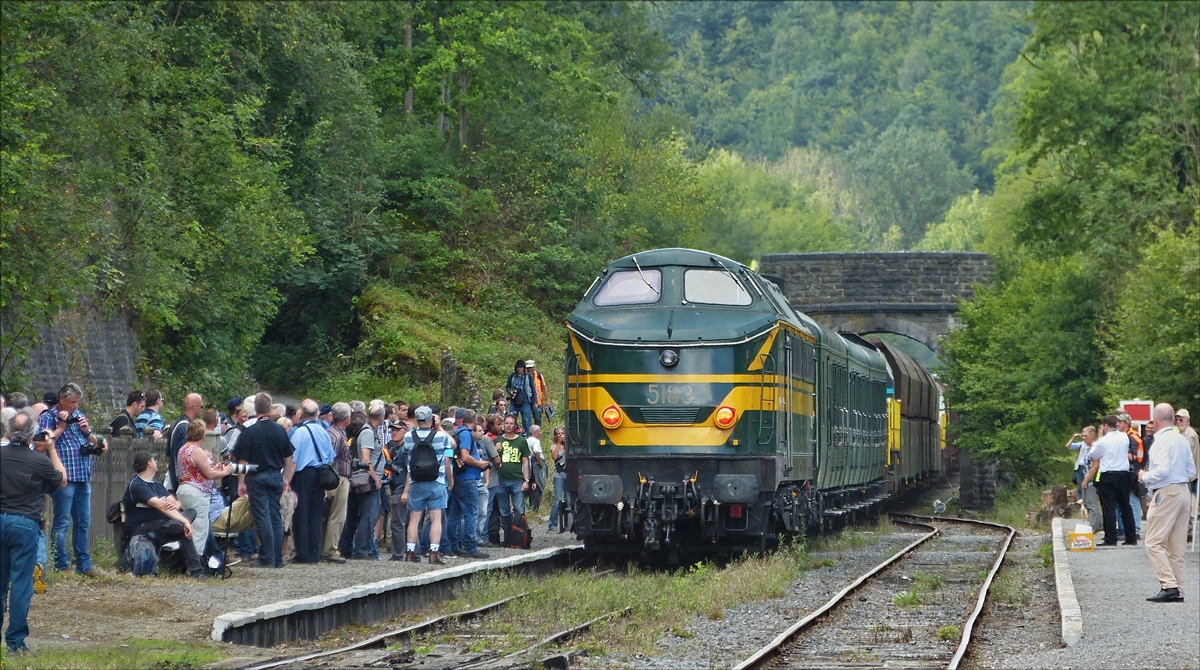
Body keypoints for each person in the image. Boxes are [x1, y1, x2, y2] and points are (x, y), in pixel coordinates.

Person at [1, 409, 66, 653]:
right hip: (24, 522)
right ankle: (15, 642)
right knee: (20, 583)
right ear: (31, 435)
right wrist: (50, 448)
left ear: (7, 431)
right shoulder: (38, 461)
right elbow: (61, 480)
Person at [38, 383, 107, 577]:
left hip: (83, 476)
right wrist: (61, 427)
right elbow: (42, 446)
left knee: (83, 522)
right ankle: (61, 565)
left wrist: (87, 432)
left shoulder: (79, 415)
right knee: (62, 522)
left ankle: (84, 565)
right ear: (61, 400)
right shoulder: (48, 417)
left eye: (77, 402)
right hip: (64, 478)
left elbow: (96, 442)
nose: (75, 406)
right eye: (72, 402)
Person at [1140, 403, 1198, 602]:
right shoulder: (1182, 440)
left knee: (1153, 542)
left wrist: (1145, 476)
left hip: (1167, 491)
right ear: (1173, 419)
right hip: (1184, 490)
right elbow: (1192, 472)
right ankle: (1179, 589)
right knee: (1177, 546)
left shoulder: (1160, 442)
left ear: (1155, 420)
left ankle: (1169, 585)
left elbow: (1162, 470)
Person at [120, 451, 207, 579]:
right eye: (154, 461)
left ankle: (176, 525)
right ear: (149, 463)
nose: (157, 463)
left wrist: (175, 506)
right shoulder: (137, 485)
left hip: (163, 525)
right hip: (142, 529)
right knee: (180, 526)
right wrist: (185, 522)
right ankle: (196, 571)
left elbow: (174, 502)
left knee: (191, 512)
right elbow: (160, 505)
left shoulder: (157, 484)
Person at [232, 393, 295, 568]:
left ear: (255, 409)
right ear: (270, 408)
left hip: (256, 476)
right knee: (275, 516)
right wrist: (286, 478)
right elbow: (289, 455)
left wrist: (241, 482)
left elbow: (243, 461)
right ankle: (277, 557)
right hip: (276, 475)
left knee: (263, 517)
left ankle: (266, 557)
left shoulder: (249, 431)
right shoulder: (280, 430)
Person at [399, 406, 454, 564]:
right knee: (436, 518)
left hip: (415, 482)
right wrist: (440, 428)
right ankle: (433, 553)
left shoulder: (409, 436)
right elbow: (452, 446)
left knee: (414, 519)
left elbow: (406, 454)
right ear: (431, 419)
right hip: (436, 482)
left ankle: (410, 552)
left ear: (416, 419)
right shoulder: (440, 437)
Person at [175, 420, 235, 555]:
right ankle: (195, 564)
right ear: (202, 435)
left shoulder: (183, 449)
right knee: (199, 529)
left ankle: (196, 559)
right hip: (197, 492)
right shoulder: (197, 451)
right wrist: (225, 472)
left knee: (193, 526)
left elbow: (198, 471)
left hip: (184, 488)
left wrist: (215, 468)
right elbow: (210, 474)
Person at [287, 399, 335, 564]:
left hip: (303, 474)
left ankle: (303, 553)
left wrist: (287, 480)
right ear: (317, 414)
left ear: (301, 413)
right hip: (320, 473)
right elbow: (330, 457)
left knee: (301, 513)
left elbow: (293, 460)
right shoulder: (324, 432)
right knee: (316, 514)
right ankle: (315, 553)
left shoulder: (299, 433)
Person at [1084, 415, 1138, 546]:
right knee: (1125, 506)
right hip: (1124, 474)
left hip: (1108, 475)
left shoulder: (1103, 441)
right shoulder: (1125, 436)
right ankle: (1131, 537)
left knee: (1109, 507)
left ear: (1106, 426)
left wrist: (1102, 438)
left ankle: (1111, 538)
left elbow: (1093, 454)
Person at [340, 407, 385, 560]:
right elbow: (366, 458)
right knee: (368, 516)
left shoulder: (366, 431)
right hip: (366, 481)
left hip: (360, 479)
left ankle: (347, 548)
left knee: (353, 515)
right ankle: (361, 550)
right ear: (381, 417)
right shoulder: (367, 432)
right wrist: (376, 478)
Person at [446, 410, 490, 559]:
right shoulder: (466, 434)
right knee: (472, 513)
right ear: (475, 420)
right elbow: (464, 456)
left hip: (459, 477)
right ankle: (470, 547)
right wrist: (479, 463)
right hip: (467, 478)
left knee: (455, 514)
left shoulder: (458, 432)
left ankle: (453, 545)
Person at [494, 414, 532, 546]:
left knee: (519, 510)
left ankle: (520, 537)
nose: (508, 425)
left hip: (517, 480)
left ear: (515, 425)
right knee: (504, 512)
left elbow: (525, 461)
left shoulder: (521, 441)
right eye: (507, 423)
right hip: (501, 480)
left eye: (511, 423)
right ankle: (507, 538)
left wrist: (526, 479)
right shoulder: (498, 440)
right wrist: (495, 449)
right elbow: (492, 459)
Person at [322, 402, 352, 563]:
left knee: (328, 516)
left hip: (335, 478)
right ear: (346, 418)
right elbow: (329, 458)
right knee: (337, 516)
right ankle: (330, 550)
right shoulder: (336, 435)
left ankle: (325, 548)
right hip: (337, 479)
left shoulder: (332, 432)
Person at [165, 393, 204, 492]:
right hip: (182, 482)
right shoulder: (186, 428)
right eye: (201, 406)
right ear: (194, 407)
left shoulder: (175, 424)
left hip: (173, 475)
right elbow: (186, 458)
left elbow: (167, 456)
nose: (202, 409)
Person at [1116, 413, 1145, 538]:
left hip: (1133, 472)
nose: (1117, 424)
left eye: (1120, 422)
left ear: (1126, 424)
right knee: (1127, 502)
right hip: (1128, 471)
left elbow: (1134, 456)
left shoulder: (1131, 437)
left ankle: (1136, 530)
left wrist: (1117, 454)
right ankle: (1130, 530)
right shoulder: (1125, 436)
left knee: (1133, 502)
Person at [386, 421, 411, 561]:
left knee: (398, 522)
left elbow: (409, 471)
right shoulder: (395, 448)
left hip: (402, 488)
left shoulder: (406, 448)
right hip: (396, 486)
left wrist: (406, 491)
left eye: (397, 430)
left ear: (405, 431)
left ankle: (398, 553)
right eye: (392, 430)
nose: (393, 432)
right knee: (402, 521)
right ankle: (406, 551)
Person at [474, 419, 497, 546]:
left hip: (482, 483)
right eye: (479, 430)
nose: (482, 432)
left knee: (483, 512)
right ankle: (469, 539)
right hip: (472, 482)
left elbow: (486, 463)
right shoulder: (468, 446)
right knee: (472, 513)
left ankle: (479, 537)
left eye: (482, 430)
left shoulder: (481, 446)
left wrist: (487, 481)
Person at [1176, 409, 1199, 520]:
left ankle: (1189, 529)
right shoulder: (1182, 434)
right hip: (1186, 473)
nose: (1178, 422)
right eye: (1177, 420)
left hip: (1189, 474)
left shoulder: (1190, 435)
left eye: (1181, 419)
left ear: (1188, 421)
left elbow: (1183, 453)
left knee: (1188, 499)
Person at [505, 360, 537, 433]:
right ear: (516, 368)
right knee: (511, 418)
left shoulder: (528, 376)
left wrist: (535, 401)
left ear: (524, 368)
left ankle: (527, 437)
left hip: (525, 400)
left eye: (521, 367)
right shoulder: (512, 376)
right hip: (514, 400)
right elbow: (507, 387)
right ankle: (511, 434)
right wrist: (510, 392)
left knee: (526, 420)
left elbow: (533, 388)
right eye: (518, 368)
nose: (520, 369)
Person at [548, 426, 569, 532]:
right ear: (556, 436)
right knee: (557, 500)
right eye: (559, 434)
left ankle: (569, 523)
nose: (561, 435)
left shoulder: (569, 446)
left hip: (569, 474)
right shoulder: (553, 446)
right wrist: (558, 445)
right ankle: (552, 524)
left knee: (569, 499)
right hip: (559, 475)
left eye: (562, 433)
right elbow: (555, 457)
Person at [527, 425, 546, 511]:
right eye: (540, 431)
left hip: (528, 463)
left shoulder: (526, 440)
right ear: (536, 433)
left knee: (531, 485)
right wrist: (540, 462)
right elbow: (536, 451)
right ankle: (535, 508)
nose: (541, 433)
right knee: (538, 485)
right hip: (535, 464)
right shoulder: (536, 441)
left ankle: (531, 506)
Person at [527, 361, 551, 426]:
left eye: (531, 367)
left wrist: (547, 400)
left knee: (538, 420)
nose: (530, 369)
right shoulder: (524, 376)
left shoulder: (538, 376)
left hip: (537, 402)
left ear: (533, 367)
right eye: (528, 368)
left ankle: (537, 434)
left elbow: (544, 388)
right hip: (527, 402)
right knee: (526, 420)